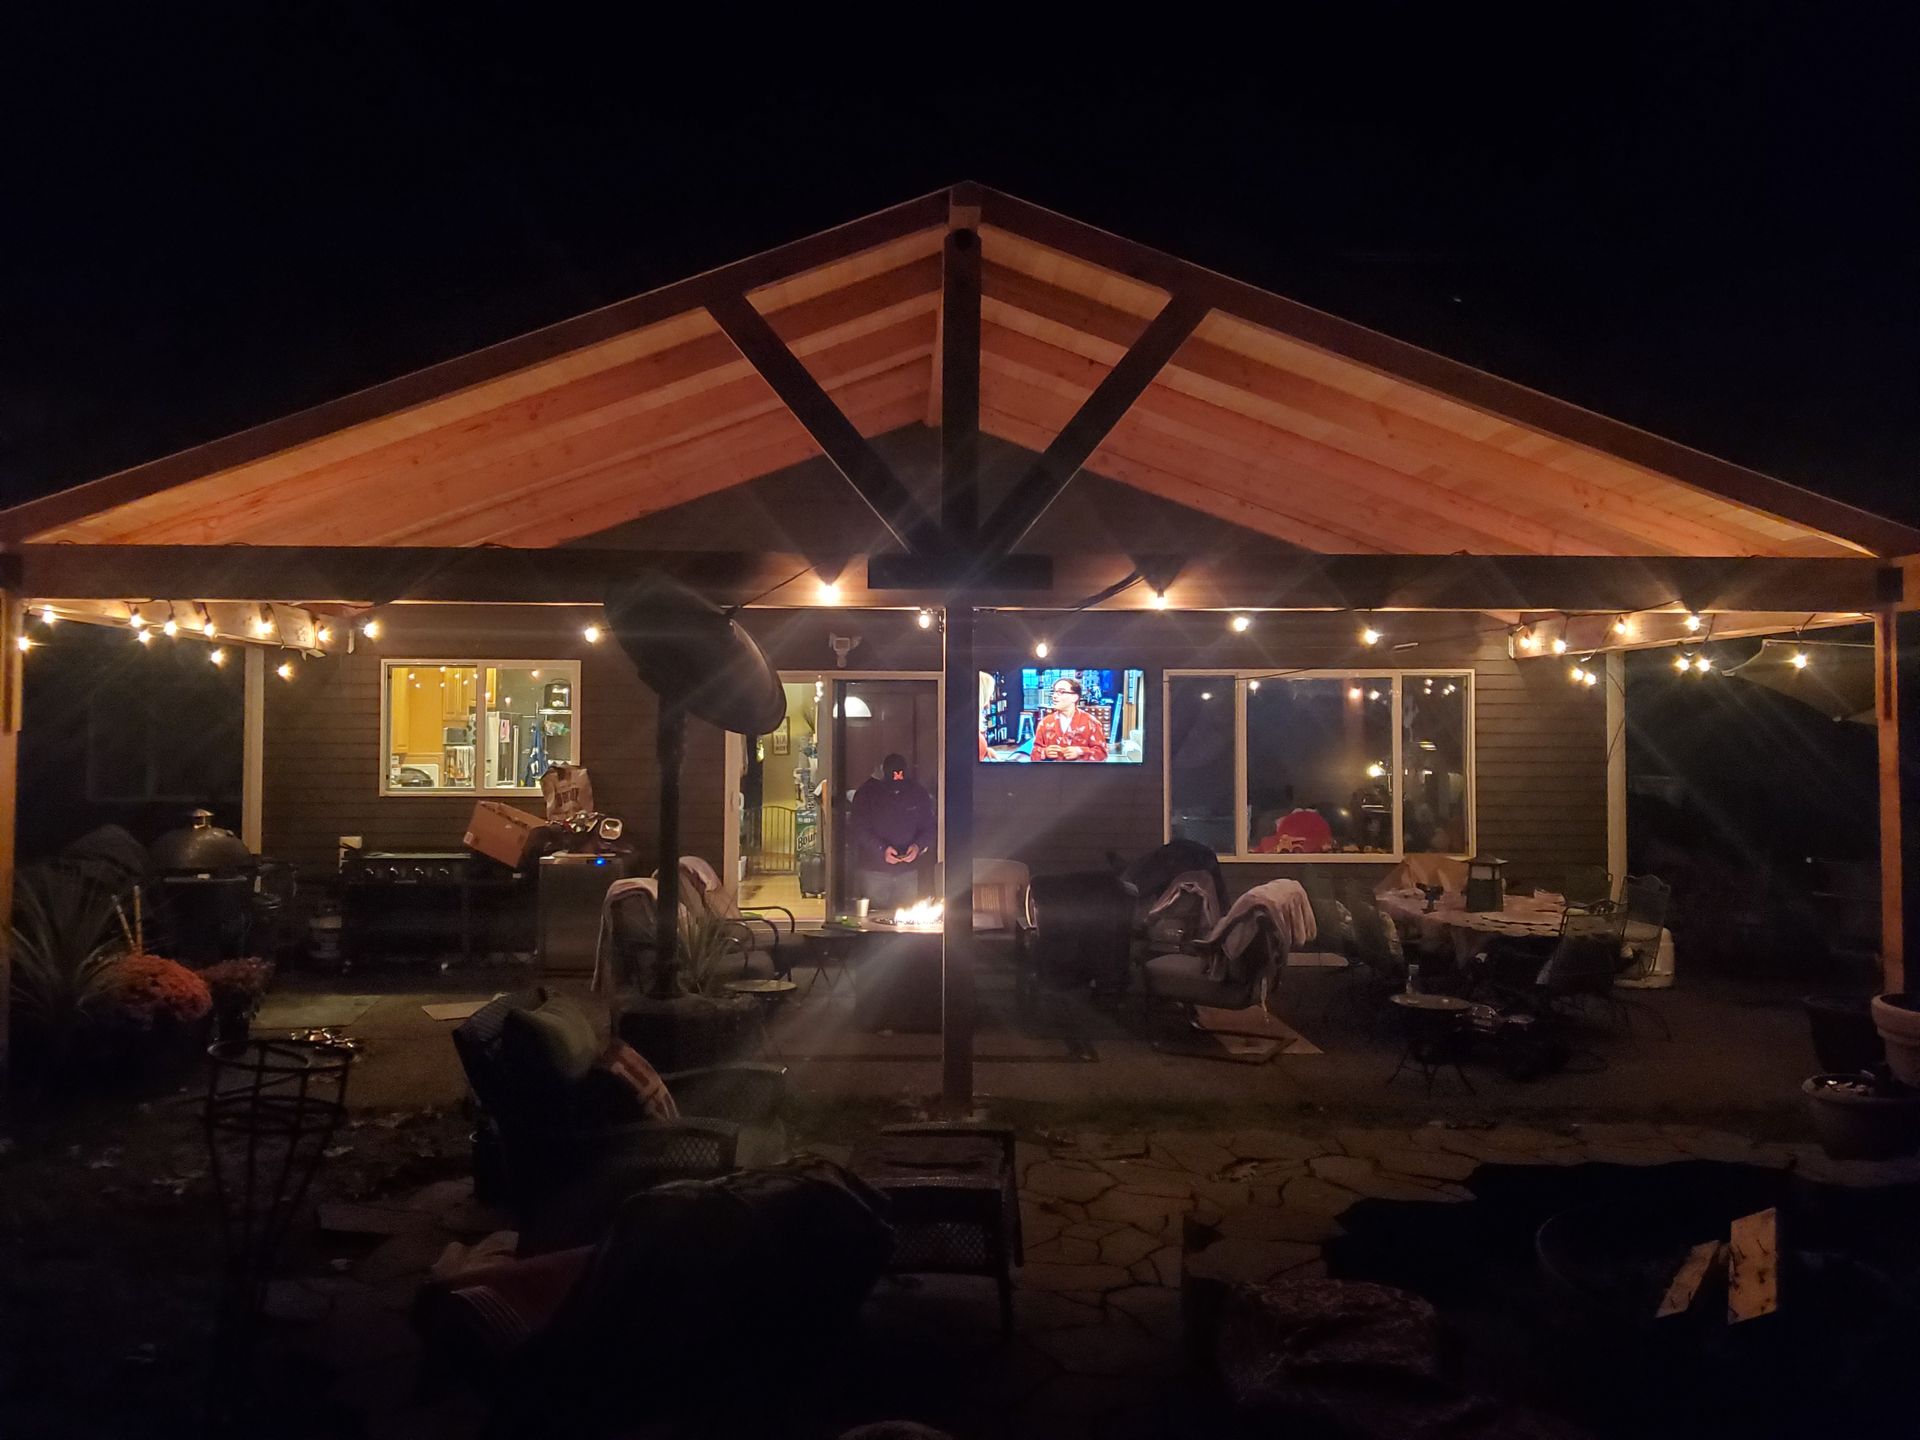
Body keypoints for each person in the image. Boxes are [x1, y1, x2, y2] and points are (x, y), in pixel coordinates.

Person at [849, 752, 936, 910]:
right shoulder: (867, 793)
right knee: (874, 922)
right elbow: (858, 828)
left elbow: (930, 827)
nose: (897, 789)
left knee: (907, 922)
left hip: (908, 873)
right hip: (874, 872)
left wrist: (917, 846)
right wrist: (881, 849)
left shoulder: (918, 792)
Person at [1031, 676, 1108, 761]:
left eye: (1061, 692)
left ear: (1074, 697)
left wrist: (1080, 752)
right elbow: (1034, 753)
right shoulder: (1045, 723)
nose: (1054, 696)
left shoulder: (1091, 722)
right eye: (1054, 692)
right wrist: (1044, 752)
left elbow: (1102, 753)